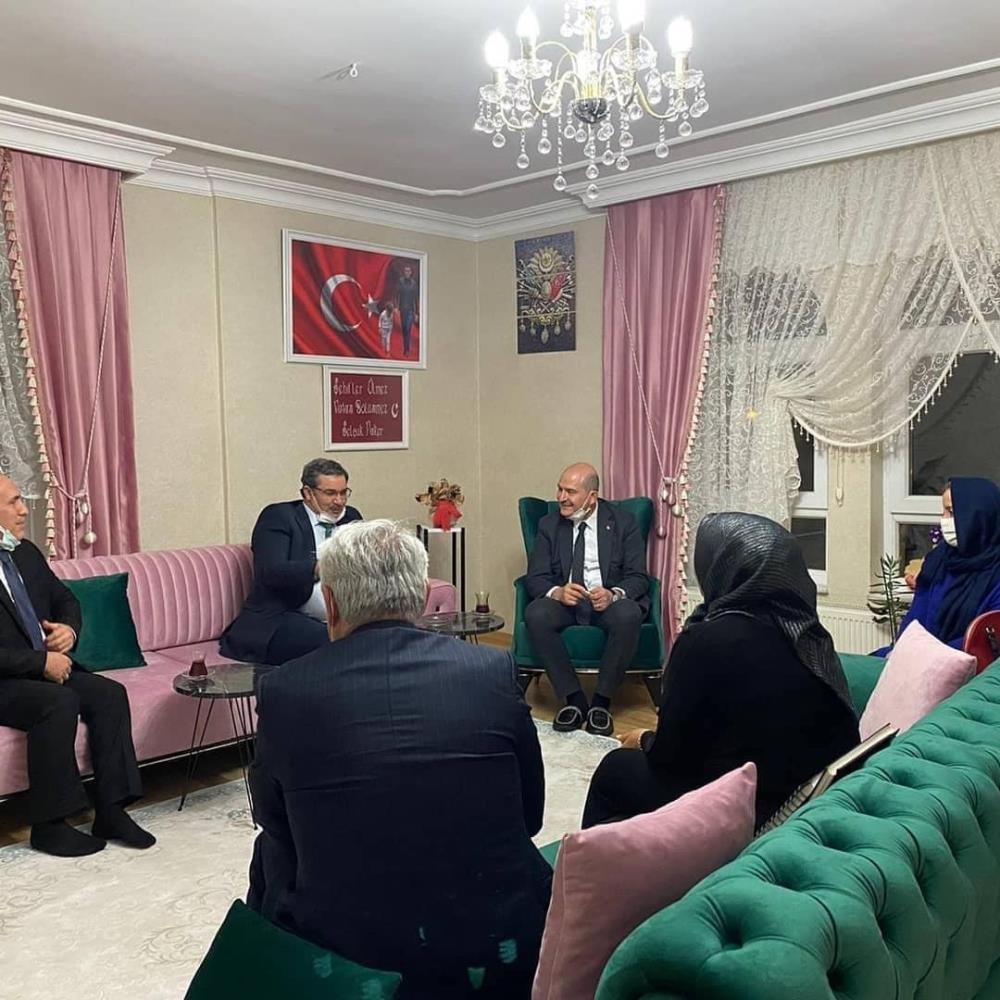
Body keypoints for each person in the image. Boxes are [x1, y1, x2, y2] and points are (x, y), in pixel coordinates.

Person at [247, 520, 550, 999]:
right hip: (495, 940)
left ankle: (277, 975)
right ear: (422, 596)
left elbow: (273, 819)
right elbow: (530, 815)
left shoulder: (284, 690)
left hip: (350, 951)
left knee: (269, 850)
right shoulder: (491, 668)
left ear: (331, 603)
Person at [582, 512, 859, 830]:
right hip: (807, 800)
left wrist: (644, 739)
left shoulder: (704, 641)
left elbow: (670, 759)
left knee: (615, 768)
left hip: (741, 808)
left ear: (719, 568)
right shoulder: (808, 632)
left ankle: (589, 861)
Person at [0, 476, 154, 857]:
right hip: (6, 680)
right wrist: (41, 661)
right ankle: (50, 825)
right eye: (14, 502)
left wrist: (68, 630)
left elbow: (65, 599)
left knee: (109, 694)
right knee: (58, 702)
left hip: (42, 669)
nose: (24, 510)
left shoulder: (25, 552)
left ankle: (111, 810)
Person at [523, 463, 648, 737]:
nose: (561, 497)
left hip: (607, 603)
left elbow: (639, 577)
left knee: (629, 614)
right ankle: (574, 699)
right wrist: (557, 592)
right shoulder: (549, 525)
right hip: (566, 604)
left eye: (570, 492)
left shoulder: (624, 523)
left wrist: (613, 594)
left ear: (592, 496)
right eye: (560, 489)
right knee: (536, 613)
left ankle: (601, 703)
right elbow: (535, 578)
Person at [220, 458, 362, 665]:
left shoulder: (351, 517)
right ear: (308, 493)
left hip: (342, 616)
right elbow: (271, 571)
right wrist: (322, 567)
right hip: (280, 617)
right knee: (336, 641)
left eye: (343, 493)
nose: (339, 501)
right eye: (330, 493)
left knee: (383, 635)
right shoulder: (279, 517)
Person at [882, 477, 1000, 653]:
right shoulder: (938, 559)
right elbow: (915, 618)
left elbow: (984, 640)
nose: (943, 520)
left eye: (951, 512)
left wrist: (930, 656)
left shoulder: (995, 573)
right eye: (943, 512)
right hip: (917, 653)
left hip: (963, 660)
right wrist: (901, 650)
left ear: (979, 517)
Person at [396, 263, 419, 357]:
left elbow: (416, 299)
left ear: (411, 272)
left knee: (408, 328)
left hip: (410, 310)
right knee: (404, 329)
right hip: (402, 310)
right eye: (405, 271)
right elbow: (397, 295)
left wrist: (416, 313)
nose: (407, 272)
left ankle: (407, 350)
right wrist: (396, 307)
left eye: (408, 271)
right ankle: (405, 348)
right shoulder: (400, 282)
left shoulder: (414, 284)